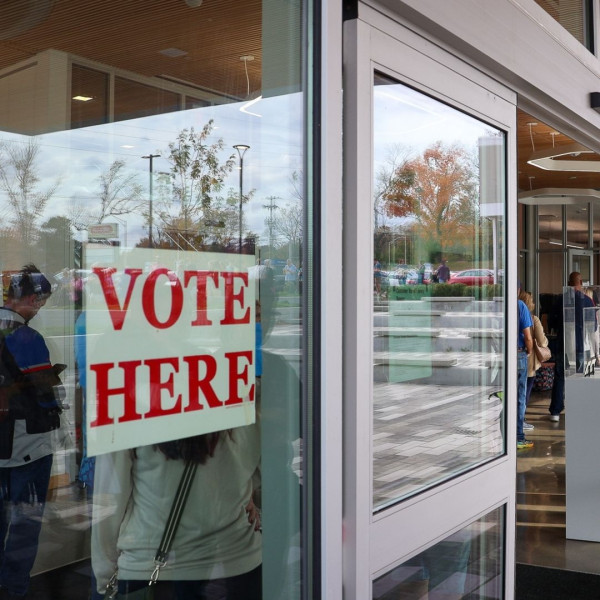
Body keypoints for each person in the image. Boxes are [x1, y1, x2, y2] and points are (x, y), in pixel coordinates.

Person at [92, 426, 262, 599]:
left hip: (149, 567)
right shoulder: (247, 405)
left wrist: (104, 580)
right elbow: (274, 461)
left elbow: (109, 506)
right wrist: (245, 489)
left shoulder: (128, 409)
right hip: (238, 561)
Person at [0, 265, 63, 599]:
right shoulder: (26, 336)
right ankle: (13, 590)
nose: (39, 309)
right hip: (27, 446)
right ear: (29, 297)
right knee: (24, 525)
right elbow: (45, 394)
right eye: (39, 301)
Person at [519, 290, 549, 432]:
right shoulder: (533, 319)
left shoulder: (512, 315)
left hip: (514, 358)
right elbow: (542, 341)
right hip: (528, 361)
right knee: (524, 392)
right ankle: (520, 420)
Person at [517, 296, 533, 450]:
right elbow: (528, 337)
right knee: (520, 397)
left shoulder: (499, 304)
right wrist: (529, 351)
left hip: (502, 354)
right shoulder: (520, 306)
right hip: (519, 353)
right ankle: (518, 436)